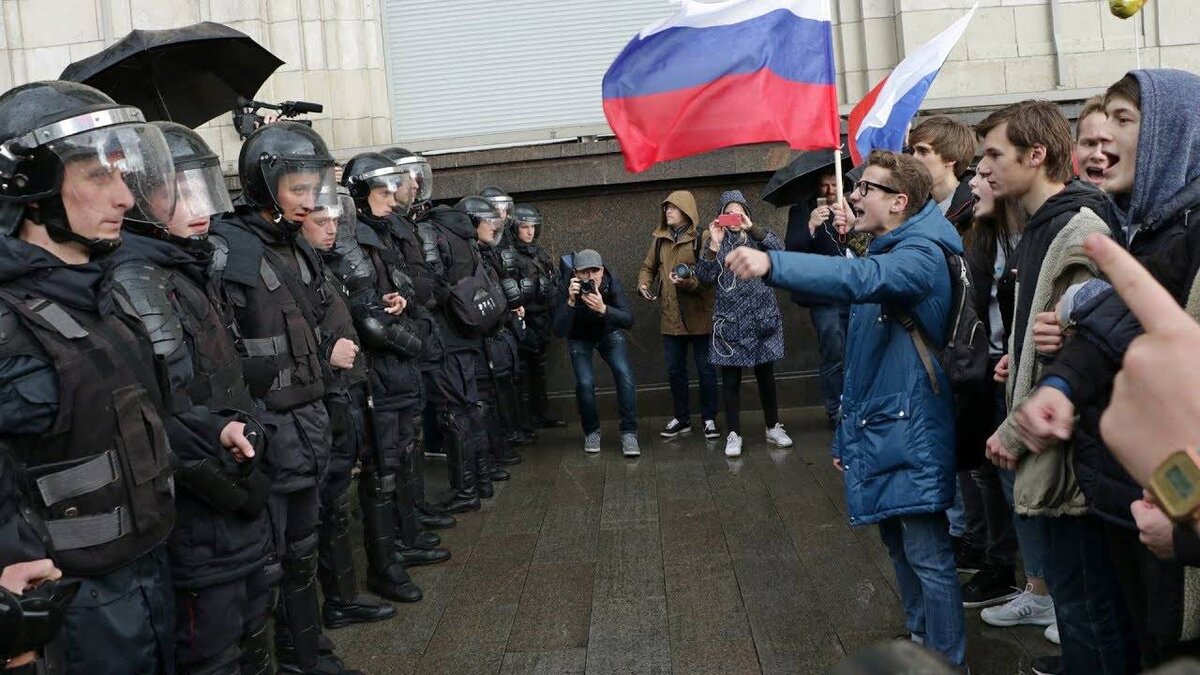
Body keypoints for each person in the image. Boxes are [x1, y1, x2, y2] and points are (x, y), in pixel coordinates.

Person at [727, 150, 967, 668]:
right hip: (885, 424)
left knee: (927, 555)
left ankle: (945, 662)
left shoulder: (920, 252)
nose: (853, 194)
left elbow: (860, 280)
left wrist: (774, 264)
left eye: (867, 189)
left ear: (899, 202)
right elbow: (859, 359)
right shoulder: (891, 242)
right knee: (902, 550)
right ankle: (919, 648)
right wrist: (845, 436)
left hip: (913, 425)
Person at [1014, 70, 1200, 669]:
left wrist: (1192, 534)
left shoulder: (1185, 231)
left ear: (1177, 136)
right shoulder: (1140, 230)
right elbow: (1116, 324)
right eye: (1099, 124)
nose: (1102, 141)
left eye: (1125, 121)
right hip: (1135, 502)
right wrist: (1062, 386)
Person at [0, 81, 179, 674]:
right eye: (98, 176)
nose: (126, 197)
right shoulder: (8, 324)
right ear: (32, 190)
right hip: (70, 615)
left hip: (145, 578)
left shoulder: (101, 299)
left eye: (124, 175)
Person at [106, 121, 279, 674]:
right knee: (213, 647)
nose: (197, 206)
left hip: (234, 483)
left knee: (251, 625)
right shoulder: (140, 278)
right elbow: (163, 408)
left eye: (203, 187)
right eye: (176, 191)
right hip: (204, 509)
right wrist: (233, 486)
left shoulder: (187, 265)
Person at [975, 100, 1129, 675]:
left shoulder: (1080, 227)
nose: (983, 169)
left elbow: (1093, 349)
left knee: (1089, 604)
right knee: (1075, 597)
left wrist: (1020, 422)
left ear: (1035, 155)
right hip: (1054, 444)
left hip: (1075, 453)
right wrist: (1016, 361)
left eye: (994, 154)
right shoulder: (1041, 226)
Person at [208, 121, 361, 675]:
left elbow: (321, 315)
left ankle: (307, 650)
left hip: (311, 424)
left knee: (302, 552)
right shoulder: (231, 252)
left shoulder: (294, 246)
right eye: (297, 189)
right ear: (263, 185)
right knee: (272, 564)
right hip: (270, 433)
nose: (309, 200)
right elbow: (220, 358)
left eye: (314, 186)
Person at [952, 173, 1054, 629]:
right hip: (987, 370)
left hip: (1025, 376)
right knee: (989, 476)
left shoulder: (1041, 234)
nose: (972, 182)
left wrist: (1019, 353)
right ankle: (1014, 574)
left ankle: (1044, 589)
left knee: (1022, 486)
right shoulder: (981, 236)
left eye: (987, 170)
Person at [376, 147, 456, 530]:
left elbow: (423, 278)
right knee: (397, 442)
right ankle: (404, 522)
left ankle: (416, 506)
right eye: (404, 179)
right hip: (397, 344)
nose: (413, 186)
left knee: (413, 432)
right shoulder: (381, 228)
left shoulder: (405, 224)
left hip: (418, 329)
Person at [694, 190, 791, 458]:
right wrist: (713, 244)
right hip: (730, 323)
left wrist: (754, 228)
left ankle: (773, 426)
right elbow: (704, 277)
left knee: (766, 376)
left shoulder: (758, 237)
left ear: (746, 213)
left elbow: (782, 252)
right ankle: (734, 433)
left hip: (762, 318)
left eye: (739, 211)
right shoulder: (716, 240)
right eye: (728, 212)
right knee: (731, 379)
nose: (734, 217)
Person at [637, 191, 719, 440]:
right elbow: (647, 267)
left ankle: (709, 419)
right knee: (675, 370)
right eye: (666, 208)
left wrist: (686, 283)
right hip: (670, 317)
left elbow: (710, 276)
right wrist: (643, 284)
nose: (667, 212)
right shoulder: (659, 239)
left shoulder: (702, 237)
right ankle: (681, 419)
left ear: (686, 210)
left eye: (673, 207)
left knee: (706, 370)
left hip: (698, 316)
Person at [552, 249, 639, 456]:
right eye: (585, 272)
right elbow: (558, 330)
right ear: (575, 273)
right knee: (584, 382)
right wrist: (571, 303)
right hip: (579, 337)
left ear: (602, 270)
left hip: (608, 333)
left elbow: (629, 320)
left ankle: (629, 432)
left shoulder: (610, 283)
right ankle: (591, 431)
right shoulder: (566, 287)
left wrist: (604, 309)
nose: (591, 277)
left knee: (624, 373)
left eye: (595, 271)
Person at [783, 168, 850, 430]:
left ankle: (856, 407)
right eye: (825, 186)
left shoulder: (853, 204)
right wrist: (811, 225)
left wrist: (852, 222)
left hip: (856, 290)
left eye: (835, 185)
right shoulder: (801, 211)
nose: (831, 191)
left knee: (858, 351)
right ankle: (835, 411)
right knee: (834, 352)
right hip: (824, 295)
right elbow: (792, 250)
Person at [509, 203, 565, 430]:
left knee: (538, 370)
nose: (530, 231)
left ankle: (541, 413)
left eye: (532, 227)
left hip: (542, 317)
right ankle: (524, 419)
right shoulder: (511, 255)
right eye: (524, 227)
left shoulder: (537, 251)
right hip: (525, 318)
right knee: (522, 373)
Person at [909, 115, 978, 231]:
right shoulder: (912, 205)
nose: (913, 157)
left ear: (951, 158)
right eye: (913, 151)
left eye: (923, 151)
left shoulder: (976, 208)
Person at [1074, 96, 1110, 188]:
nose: (1098, 155)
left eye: (1108, 144)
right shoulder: (1057, 200)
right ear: (1075, 148)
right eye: (1090, 144)